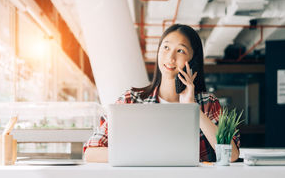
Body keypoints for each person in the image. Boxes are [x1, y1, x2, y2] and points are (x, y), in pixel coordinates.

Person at [83, 24, 240, 163]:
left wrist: (193, 108)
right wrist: (144, 154)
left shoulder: (207, 103)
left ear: (192, 60)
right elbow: (91, 152)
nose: (170, 58)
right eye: (165, 48)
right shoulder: (132, 100)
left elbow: (231, 155)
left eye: (180, 51)